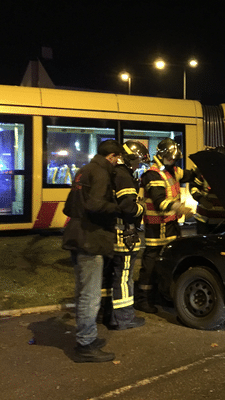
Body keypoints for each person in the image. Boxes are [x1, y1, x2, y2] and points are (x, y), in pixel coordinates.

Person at [62, 139, 123, 363]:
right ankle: (86, 343)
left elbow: (69, 206)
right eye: (117, 158)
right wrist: (118, 208)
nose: (118, 162)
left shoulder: (83, 170)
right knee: (90, 294)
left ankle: (85, 336)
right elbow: (94, 205)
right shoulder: (101, 173)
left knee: (82, 291)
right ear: (111, 156)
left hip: (76, 235)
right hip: (91, 238)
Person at [136, 138, 194, 313]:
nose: (173, 162)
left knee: (168, 261)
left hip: (171, 225)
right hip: (156, 227)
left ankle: (162, 295)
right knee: (151, 264)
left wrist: (204, 169)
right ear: (161, 156)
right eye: (170, 158)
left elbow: (189, 175)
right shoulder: (153, 175)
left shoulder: (172, 170)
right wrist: (179, 207)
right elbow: (160, 202)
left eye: (175, 159)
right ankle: (143, 299)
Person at [102, 140, 150, 330]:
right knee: (123, 278)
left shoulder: (113, 173)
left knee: (110, 276)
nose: (138, 165)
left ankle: (109, 315)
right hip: (124, 235)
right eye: (137, 161)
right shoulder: (124, 175)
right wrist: (142, 207)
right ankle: (124, 318)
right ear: (129, 159)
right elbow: (128, 208)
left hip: (111, 233)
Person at [190, 146, 225, 234]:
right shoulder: (205, 172)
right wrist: (201, 199)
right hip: (204, 219)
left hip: (223, 221)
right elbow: (194, 187)